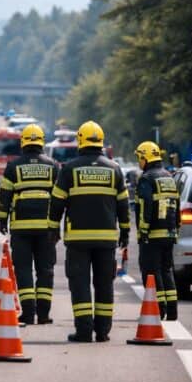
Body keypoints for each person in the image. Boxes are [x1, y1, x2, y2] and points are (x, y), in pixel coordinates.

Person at [48, 121, 130, 343]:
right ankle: (103, 331)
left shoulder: (70, 169)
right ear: (101, 142)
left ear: (81, 141)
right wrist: (125, 231)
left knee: (80, 284)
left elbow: (56, 203)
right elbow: (123, 204)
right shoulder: (114, 170)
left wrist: (53, 227)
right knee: (105, 284)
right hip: (106, 240)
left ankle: (84, 331)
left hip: (78, 240)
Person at [0, 124, 58, 324]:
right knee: (45, 270)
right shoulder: (53, 166)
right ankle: (44, 314)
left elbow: (4, 196)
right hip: (47, 229)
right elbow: (59, 198)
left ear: (23, 142)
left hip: (21, 228)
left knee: (23, 270)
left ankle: (28, 313)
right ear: (41, 142)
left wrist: (2, 219)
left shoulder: (13, 167)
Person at [134, 141, 180, 320]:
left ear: (145, 158)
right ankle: (173, 311)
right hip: (169, 233)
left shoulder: (147, 178)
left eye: (139, 158)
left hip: (152, 235)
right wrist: (176, 227)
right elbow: (177, 205)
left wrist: (143, 232)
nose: (139, 162)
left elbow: (146, 206)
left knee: (152, 272)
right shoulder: (169, 177)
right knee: (166, 270)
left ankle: (159, 310)